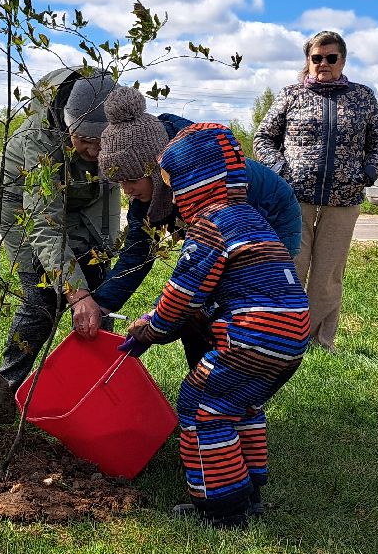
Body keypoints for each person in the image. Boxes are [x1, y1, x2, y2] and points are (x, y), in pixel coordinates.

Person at [121, 123, 309, 529]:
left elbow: (183, 291)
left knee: (201, 408)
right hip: (291, 335)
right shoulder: (252, 218)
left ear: (191, 185)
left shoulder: (210, 225)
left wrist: (151, 328)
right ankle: (250, 492)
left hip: (251, 335)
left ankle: (222, 508)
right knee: (240, 405)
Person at [93, 84, 302, 369]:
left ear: (155, 172)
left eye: (131, 180)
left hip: (270, 214)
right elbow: (138, 250)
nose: (126, 190)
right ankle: (205, 372)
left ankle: (237, 381)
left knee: (229, 306)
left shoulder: (210, 175)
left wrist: (156, 320)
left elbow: (198, 275)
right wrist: (103, 302)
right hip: (221, 226)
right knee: (194, 311)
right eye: (120, 181)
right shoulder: (151, 189)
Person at [253, 30, 378, 352]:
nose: (323, 64)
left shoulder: (362, 96)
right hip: (293, 199)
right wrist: (280, 169)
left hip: (342, 201)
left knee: (328, 274)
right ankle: (283, 332)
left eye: (331, 58)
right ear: (308, 61)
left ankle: (318, 339)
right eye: (317, 58)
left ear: (342, 60)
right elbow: (263, 138)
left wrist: (366, 173)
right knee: (291, 266)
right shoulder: (291, 95)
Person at [0, 66, 119, 394]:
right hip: (23, 204)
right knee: (42, 297)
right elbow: (43, 223)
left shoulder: (119, 127)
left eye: (102, 142)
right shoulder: (37, 139)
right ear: (67, 124)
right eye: (85, 141)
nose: (94, 152)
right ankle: (6, 389)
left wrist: (97, 268)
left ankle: (96, 387)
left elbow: (110, 199)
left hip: (81, 197)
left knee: (98, 286)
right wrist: (76, 295)